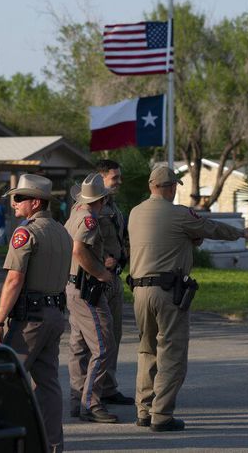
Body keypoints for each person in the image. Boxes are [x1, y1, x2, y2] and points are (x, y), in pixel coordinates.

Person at [128, 166, 248, 432]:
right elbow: (210, 228)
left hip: (139, 292)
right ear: (172, 187)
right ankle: (161, 416)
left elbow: (164, 241)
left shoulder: (135, 212)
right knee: (172, 353)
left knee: (146, 350)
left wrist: (187, 241)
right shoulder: (179, 214)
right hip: (167, 292)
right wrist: (241, 233)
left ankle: (144, 410)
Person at [0, 174, 72, 453]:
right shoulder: (62, 231)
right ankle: (51, 445)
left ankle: (2, 443)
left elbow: (14, 279)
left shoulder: (26, 232)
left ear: (35, 202)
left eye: (19, 197)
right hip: (54, 313)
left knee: (4, 378)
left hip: (31, 319)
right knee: (48, 383)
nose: (13, 203)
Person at [64, 173, 119, 423]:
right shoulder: (89, 221)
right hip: (87, 289)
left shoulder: (75, 214)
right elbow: (78, 250)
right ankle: (92, 402)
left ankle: (78, 399)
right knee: (104, 344)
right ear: (102, 200)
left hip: (72, 286)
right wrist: (101, 273)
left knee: (79, 345)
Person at [95, 159, 134, 405]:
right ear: (100, 179)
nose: (119, 182)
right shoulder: (89, 207)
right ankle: (88, 393)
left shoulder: (113, 206)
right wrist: (101, 262)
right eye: (114, 178)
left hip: (115, 277)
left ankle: (108, 387)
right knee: (96, 339)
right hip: (96, 279)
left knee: (114, 336)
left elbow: (119, 239)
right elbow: (80, 242)